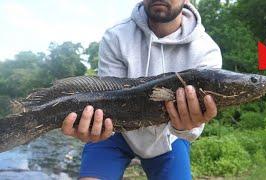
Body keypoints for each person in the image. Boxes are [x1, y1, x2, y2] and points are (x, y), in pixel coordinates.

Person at [62, 0, 222, 179]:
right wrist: (94, 128)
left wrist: (185, 127)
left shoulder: (207, 51)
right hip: (114, 132)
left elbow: (190, 129)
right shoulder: (116, 36)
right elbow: (106, 96)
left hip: (169, 136)